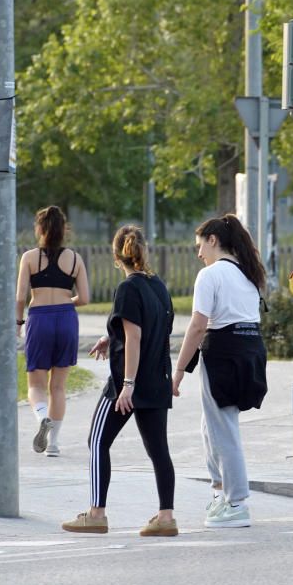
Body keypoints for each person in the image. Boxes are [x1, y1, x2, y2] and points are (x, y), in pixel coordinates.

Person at [63, 225, 177, 537]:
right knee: (159, 451)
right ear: (144, 251)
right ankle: (166, 516)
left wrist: (127, 384)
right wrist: (108, 336)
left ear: (116, 256)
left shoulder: (128, 288)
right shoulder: (159, 286)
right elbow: (150, 329)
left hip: (127, 384)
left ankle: (96, 513)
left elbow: (135, 336)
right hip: (157, 379)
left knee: (98, 441)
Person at [172, 213, 267, 529]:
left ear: (213, 240)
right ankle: (219, 493)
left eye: (200, 246)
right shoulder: (247, 275)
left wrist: (179, 370)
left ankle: (236, 503)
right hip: (250, 351)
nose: (199, 254)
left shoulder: (210, 276)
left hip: (223, 353)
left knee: (223, 429)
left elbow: (198, 326)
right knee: (211, 426)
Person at [15, 206, 90, 456]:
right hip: (66, 319)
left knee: (35, 383)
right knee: (58, 386)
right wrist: (67, 302)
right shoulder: (75, 259)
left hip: (40, 319)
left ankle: (41, 417)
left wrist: (17, 323)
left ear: (40, 229)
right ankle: (54, 444)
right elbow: (86, 298)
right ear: (63, 229)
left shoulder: (29, 258)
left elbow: (19, 296)